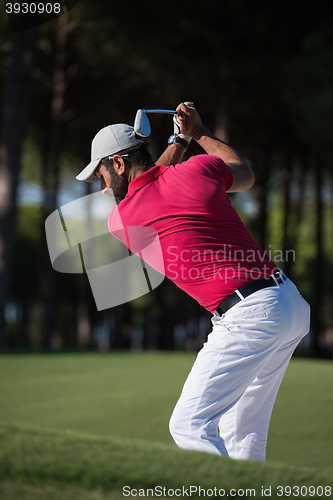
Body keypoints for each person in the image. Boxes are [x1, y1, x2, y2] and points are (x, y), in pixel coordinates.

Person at [76, 103, 310, 461]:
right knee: (241, 430)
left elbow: (153, 180)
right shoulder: (200, 168)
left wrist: (180, 139)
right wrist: (196, 133)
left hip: (249, 316)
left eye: (102, 175)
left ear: (119, 164)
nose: (102, 187)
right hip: (288, 304)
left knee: (188, 425)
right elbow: (244, 174)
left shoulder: (123, 220)